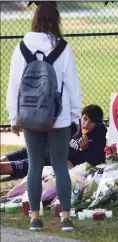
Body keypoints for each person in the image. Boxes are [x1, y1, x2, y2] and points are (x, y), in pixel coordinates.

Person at [6, 2, 82, 231]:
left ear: (35, 19)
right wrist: (74, 116)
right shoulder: (63, 48)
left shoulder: (21, 48)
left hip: (29, 115)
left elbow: (14, 86)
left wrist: (14, 117)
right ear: (56, 20)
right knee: (60, 166)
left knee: (35, 166)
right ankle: (66, 217)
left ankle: (35, 217)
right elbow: (73, 86)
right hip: (57, 117)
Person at [0, 105, 107, 178]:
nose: (86, 124)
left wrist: (86, 149)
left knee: (3, 167)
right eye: (85, 119)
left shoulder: (98, 136)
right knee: (3, 159)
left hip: (43, 162)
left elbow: (97, 161)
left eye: (91, 122)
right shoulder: (72, 124)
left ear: (97, 124)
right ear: (81, 116)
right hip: (41, 149)